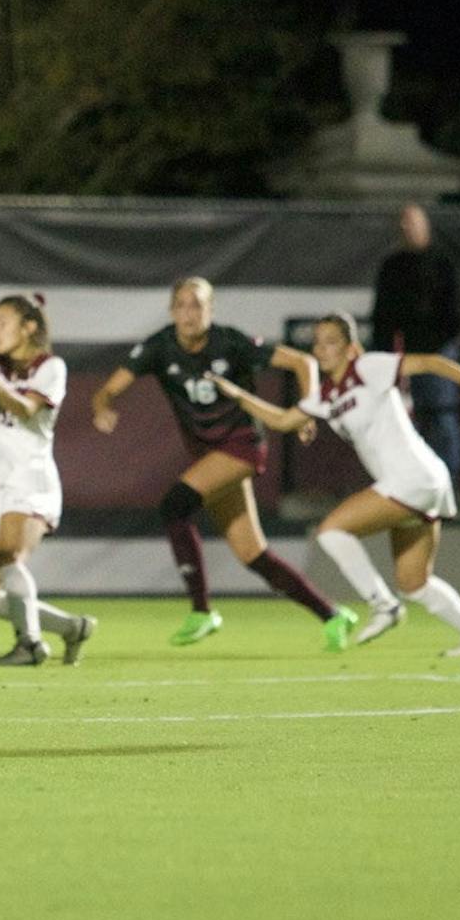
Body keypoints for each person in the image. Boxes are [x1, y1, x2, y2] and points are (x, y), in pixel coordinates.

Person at [208, 312, 460, 656]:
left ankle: (382, 606)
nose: (322, 349)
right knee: (413, 582)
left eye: (331, 341)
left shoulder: (368, 368)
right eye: (317, 342)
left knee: (332, 531)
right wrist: (238, 395)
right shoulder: (325, 395)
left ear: (351, 348)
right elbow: (285, 420)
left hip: (413, 477)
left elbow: (429, 362)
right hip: (420, 482)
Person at [91, 276, 358, 651]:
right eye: (181, 305)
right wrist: (103, 407)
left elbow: (302, 362)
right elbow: (108, 389)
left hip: (242, 447)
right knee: (253, 554)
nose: (189, 313)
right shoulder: (159, 347)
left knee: (174, 505)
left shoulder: (230, 342)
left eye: (197, 305)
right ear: (171, 311)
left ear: (210, 310)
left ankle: (201, 611)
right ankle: (332, 614)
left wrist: (307, 410)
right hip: (210, 456)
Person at [0, 293, 97, 666]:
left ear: (29, 327)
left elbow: (28, 409)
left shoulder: (51, 367)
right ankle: (71, 627)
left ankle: (29, 643)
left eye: (2, 321)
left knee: (8, 557)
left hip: (32, 478)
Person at [371, 203, 460, 479]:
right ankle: (416, 478)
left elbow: (455, 309)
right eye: (404, 223)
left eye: (413, 222)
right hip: (408, 354)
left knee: (441, 413)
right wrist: (384, 352)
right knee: (408, 417)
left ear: (426, 225)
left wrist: (443, 340)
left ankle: (447, 477)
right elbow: (384, 312)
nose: (407, 228)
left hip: (437, 351)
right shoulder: (393, 265)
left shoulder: (443, 264)